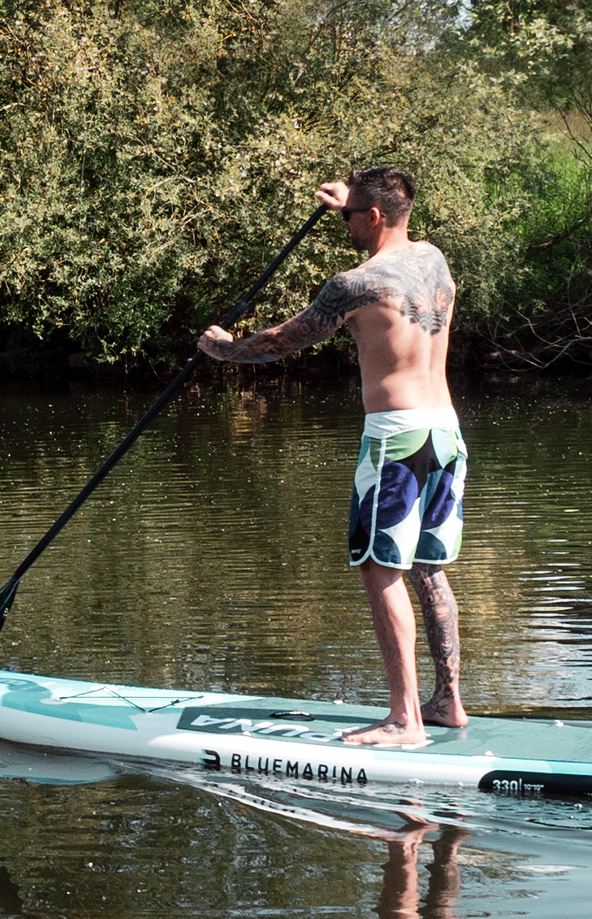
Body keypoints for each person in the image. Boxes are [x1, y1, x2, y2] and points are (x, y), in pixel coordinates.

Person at [198, 166, 468, 745]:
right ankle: (447, 701)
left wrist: (225, 350)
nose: (344, 224)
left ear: (370, 217)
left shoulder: (354, 283)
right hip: (446, 432)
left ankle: (404, 720)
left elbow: (282, 342)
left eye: (351, 217)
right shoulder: (434, 259)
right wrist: (357, 204)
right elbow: (389, 236)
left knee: (380, 570)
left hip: (397, 438)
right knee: (427, 567)